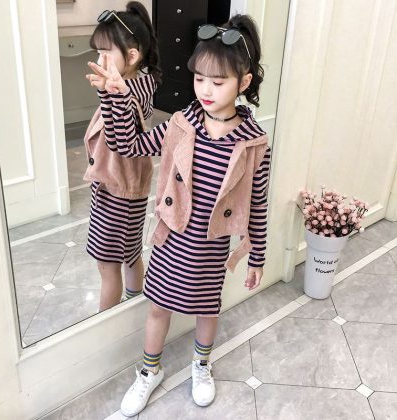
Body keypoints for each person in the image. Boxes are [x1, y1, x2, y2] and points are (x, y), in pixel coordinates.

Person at [89, 14, 271, 416]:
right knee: (158, 306)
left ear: (243, 82)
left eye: (218, 82)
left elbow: (257, 202)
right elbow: (129, 145)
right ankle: (149, 371)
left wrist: (257, 255)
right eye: (199, 78)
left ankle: (201, 365)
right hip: (172, 238)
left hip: (212, 244)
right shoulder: (181, 124)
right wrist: (114, 97)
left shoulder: (253, 141)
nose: (205, 89)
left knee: (208, 308)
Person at [84, 2, 161, 311]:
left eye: (105, 52)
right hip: (122, 185)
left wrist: (110, 92)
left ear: (132, 56)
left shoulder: (127, 92)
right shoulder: (139, 82)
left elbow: (121, 139)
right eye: (97, 52)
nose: (98, 60)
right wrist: (107, 91)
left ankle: (107, 324)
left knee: (107, 264)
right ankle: (132, 304)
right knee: (129, 254)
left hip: (118, 190)